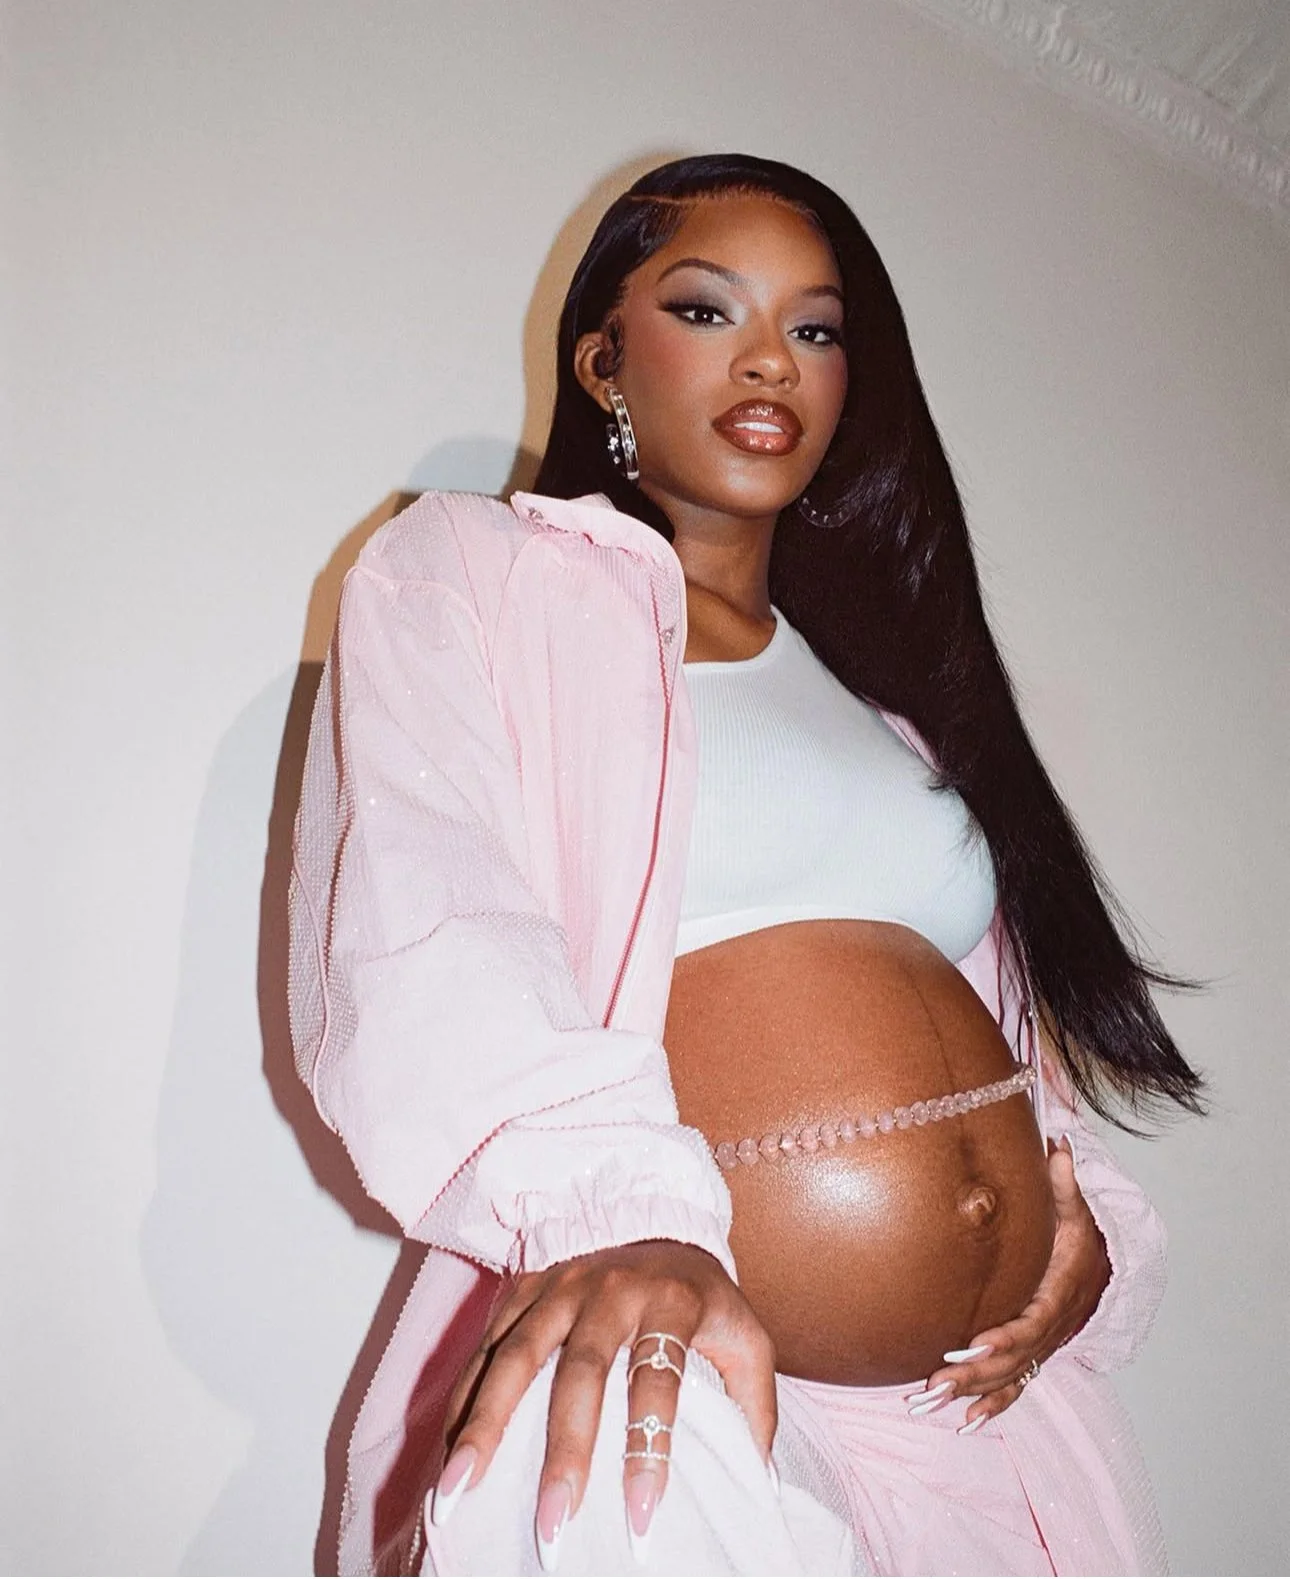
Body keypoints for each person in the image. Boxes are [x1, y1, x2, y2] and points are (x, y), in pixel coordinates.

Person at [288, 154, 1203, 1576]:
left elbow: (1002, 1033)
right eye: (708, 309)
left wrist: (1075, 1225)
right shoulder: (477, 573)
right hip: (682, 1366)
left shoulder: (894, 711)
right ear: (603, 358)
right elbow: (428, 913)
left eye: (816, 328)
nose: (772, 358)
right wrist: (618, 1222)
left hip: (991, 1420)